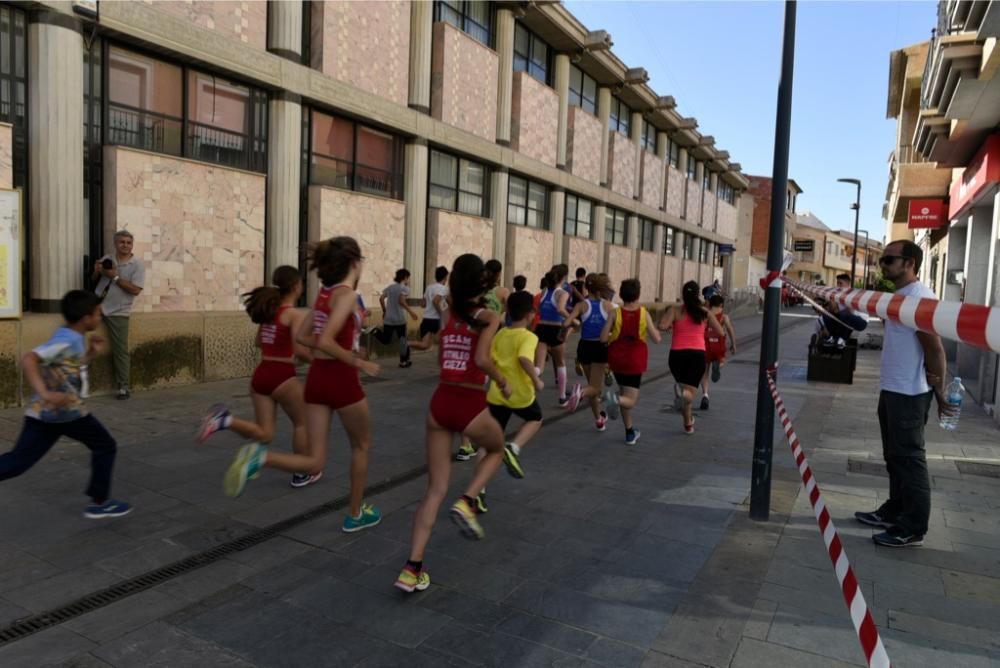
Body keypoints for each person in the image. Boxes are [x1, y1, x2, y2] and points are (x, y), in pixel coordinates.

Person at [395, 254, 509, 594]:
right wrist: (502, 381)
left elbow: (444, 306)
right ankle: (469, 500)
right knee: (497, 449)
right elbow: (480, 359)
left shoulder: (446, 313)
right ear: (483, 282)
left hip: (439, 402)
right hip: (470, 401)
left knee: (434, 489)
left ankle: (411, 568)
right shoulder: (489, 317)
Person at [256, 236, 382, 532]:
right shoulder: (347, 295)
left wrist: (328, 345)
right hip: (341, 378)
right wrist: (358, 361)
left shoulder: (323, 294)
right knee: (361, 446)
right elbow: (324, 340)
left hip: (316, 379)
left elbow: (303, 337)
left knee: (314, 461)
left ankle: (261, 457)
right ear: (354, 263)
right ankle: (355, 513)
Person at [854, 241, 952, 548]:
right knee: (894, 456)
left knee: (910, 458)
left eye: (889, 260)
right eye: (882, 260)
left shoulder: (920, 298)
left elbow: (934, 348)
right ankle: (896, 509)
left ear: (909, 263)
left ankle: (913, 526)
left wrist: (939, 391)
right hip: (893, 388)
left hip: (910, 391)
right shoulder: (900, 297)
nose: (883, 264)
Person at [0, 290, 131, 518]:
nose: (100, 318)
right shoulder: (66, 340)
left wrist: (89, 354)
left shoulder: (71, 337)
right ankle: (100, 503)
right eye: (98, 313)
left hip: (57, 414)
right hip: (58, 413)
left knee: (18, 462)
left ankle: (100, 501)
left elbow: (66, 364)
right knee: (105, 445)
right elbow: (29, 359)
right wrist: (45, 393)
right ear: (86, 318)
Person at [197, 266, 325, 491]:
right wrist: (317, 362)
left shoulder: (269, 312)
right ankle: (301, 473)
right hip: (282, 376)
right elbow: (299, 347)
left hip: (262, 374)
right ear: (296, 286)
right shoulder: (294, 314)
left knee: (265, 433)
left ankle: (223, 420)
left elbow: (260, 343)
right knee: (302, 423)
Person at [488, 291, 544, 480]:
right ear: (530, 314)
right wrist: (536, 380)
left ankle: (479, 489)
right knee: (536, 418)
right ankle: (514, 447)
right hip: (520, 394)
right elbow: (524, 358)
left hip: (498, 393)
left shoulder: (500, 334)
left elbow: (489, 359)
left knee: (490, 443)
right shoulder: (528, 337)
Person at [659, 281, 724, 434]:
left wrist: (670, 326)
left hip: (677, 356)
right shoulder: (705, 312)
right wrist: (702, 334)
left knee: (685, 394)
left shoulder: (675, 310)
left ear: (683, 294)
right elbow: (720, 332)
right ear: (697, 295)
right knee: (689, 394)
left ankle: (688, 424)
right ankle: (682, 397)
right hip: (697, 355)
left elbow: (662, 326)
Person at [602, 279, 662, 446]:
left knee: (624, 393)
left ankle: (629, 432)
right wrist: (657, 330)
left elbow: (602, 337)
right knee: (631, 399)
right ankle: (614, 399)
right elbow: (657, 339)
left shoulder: (615, 313)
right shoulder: (643, 313)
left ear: (621, 294)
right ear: (638, 294)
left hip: (616, 360)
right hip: (634, 361)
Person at [92, 230, 145, 400]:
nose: (125, 245)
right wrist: (96, 270)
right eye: (121, 242)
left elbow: (136, 290)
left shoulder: (137, 265)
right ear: (115, 243)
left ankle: (123, 386)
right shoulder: (108, 259)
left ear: (132, 245)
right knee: (77, 338)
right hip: (98, 307)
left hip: (119, 311)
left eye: (128, 242)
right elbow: (93, 280)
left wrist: (114, 277)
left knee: (120, 351)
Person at [563, 273, 614, 431]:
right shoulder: (608, 306)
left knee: (594, 387)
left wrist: (579, 323)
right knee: (594, 388)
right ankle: (580, 392)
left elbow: (566, 322)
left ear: (587, 288)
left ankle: (598, 419)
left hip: (584, 347)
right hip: (599, 347)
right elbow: (614, 328)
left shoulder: (582, 305)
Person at [533, 269, 572, 405]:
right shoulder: (563, 293)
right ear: (562, 279)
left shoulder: (543, 292)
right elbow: (560, 309)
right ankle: (562, 398)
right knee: (560, 362)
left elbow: (538, 310)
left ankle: (522, 381)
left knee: (539, 366)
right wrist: (573, 319)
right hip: (555, 328)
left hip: (541, 327)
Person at [374, 268, 419, 368]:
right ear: (405, 278)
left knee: (386, 339)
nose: (409, 280)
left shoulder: (391, 287)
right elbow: (401, 301)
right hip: (399, 319)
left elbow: (381, 298)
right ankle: (404, 362)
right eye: (408, 278)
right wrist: (411, 312)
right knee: (403, 340)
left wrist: (384, 311)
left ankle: (375, 331)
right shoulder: (405, 288)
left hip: (389, 318)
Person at [700, 294, 737, 410]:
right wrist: (733, 344)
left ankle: (705, 395)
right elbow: (730, 330)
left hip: (706, 345)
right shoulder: (724, 317)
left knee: (705, 373)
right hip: (718, 346)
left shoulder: (705, 315)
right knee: (721, 360)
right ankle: (719, 366)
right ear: (721, 305)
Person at [817, 273, 868, 349]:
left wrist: (840, 306)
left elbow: (850, 312)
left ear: (847, 284)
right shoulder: (838, 294)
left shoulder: (852, 294)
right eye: (837, 283)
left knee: (844, 314)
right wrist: (830, 302)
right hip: (846, 319)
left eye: (841, 283)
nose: (838, 286)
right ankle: (832, 338)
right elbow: (835, 311)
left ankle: (842, 339)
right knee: (827, 314)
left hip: (861, 321)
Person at [411, 266, 449, 353]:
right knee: (442, 340)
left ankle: (407, 343)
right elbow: (436, 301)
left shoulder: (429, 287)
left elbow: (423, 304)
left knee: (425, 345)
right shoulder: (444, 289)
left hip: (427, 319)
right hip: (437, 320)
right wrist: (442, 313)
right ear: (445, 277)